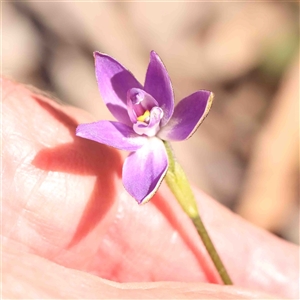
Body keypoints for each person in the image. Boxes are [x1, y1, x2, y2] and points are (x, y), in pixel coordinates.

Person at [2, 77, 298, 299]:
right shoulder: (129, 139)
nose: (140, 110)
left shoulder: (175, 123)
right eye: (136, 109)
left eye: (146, 108)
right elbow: (90, 131)